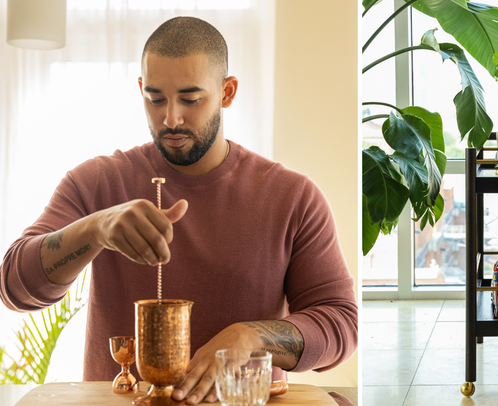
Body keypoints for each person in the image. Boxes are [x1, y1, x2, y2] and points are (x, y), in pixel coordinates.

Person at [0, 16, 357, 405]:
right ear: (141, 89)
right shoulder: (96, 182)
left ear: (227, 92)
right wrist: (96, 229)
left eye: (190, 99)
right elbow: (15, 288)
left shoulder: (293, 197)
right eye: (155, 99)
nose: (170, 118)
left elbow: (341, 323)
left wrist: (252, 337)